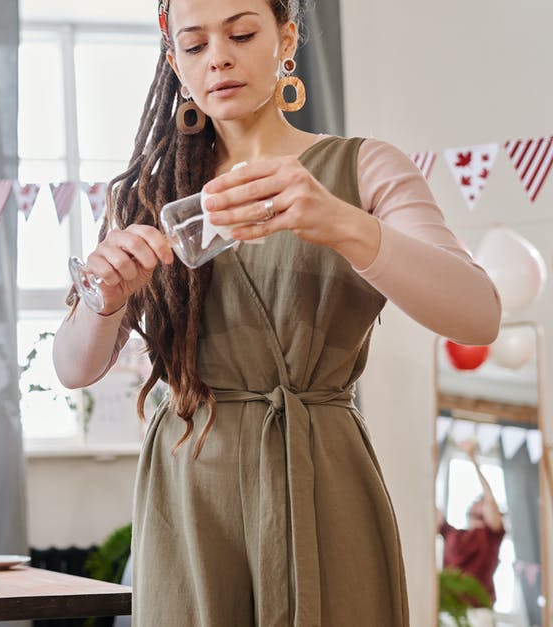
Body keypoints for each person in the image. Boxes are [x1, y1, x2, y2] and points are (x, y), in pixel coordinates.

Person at [51, 0, 501, 623]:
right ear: (173, 58)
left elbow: (478, 315)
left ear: (286, 37)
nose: (220, 59)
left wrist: (343, 224)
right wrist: (105, 297)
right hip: (191, 491)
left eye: (241, 33)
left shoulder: (362, 167)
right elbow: (74, 369)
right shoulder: (148, 193)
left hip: (321, 474)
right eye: (196, 44)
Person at [440, 439, 505, 613]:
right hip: (450, 610)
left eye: (482, 501)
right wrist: (433, 465)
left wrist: (473, 460)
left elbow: (490, 499)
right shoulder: (452, 533)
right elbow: (432, 510)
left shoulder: (491, 534)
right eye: (479, 501)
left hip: (479, 611)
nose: (481, 502)